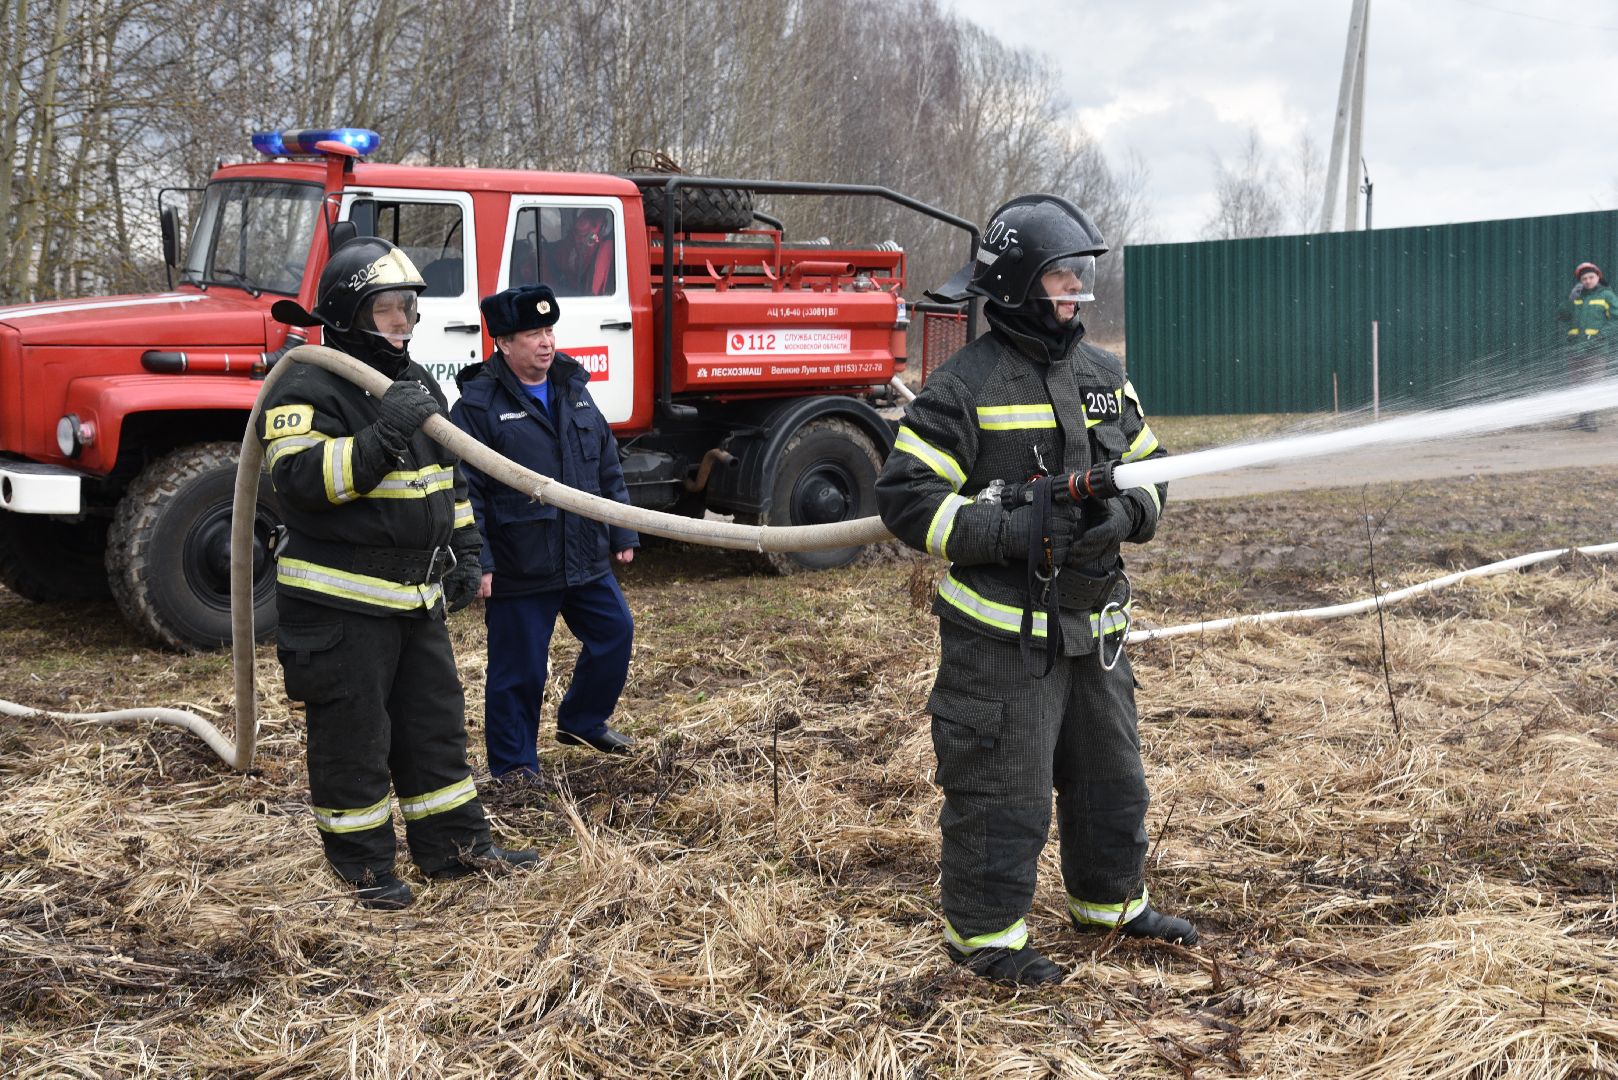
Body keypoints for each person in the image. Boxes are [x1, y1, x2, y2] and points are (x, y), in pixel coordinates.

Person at [876, 194, 1195, 987]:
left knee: (1111, 780)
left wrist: (1122, 514)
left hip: (1096, 631)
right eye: (1060, 276)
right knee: (1000, 791)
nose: (1075, 291)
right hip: (1001, 645)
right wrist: (1017, 533)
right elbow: (908, 501)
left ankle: (1111, 907)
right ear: (1017, 285)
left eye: (1079, 275)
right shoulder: (961, 387)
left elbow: (1154, 471)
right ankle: (985, 940)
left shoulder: (1105, 377)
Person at [260, 235, 537, 911]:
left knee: (433, 726)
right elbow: (298, 482)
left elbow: (447, 481)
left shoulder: (413, 381)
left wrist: (468, 554)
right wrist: (381, 437)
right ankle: (363, 869)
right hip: (340, 603)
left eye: (409, 308)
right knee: (354, 740)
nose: (404, 322)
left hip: (415, 598)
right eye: (389, 309)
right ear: (351, 312)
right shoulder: (305, 382)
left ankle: (456, 848)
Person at [450, 283, 639, 777]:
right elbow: (465, 491)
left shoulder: (573, 388)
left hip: (583, 555)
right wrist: (480, 560)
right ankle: (514, 771)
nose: (546, 341)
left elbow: (605, 464)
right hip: (520, 563)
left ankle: (582, 720)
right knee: (520, 673)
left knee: (615, 632)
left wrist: (623, 531)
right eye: (533, 332)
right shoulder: (477, 405)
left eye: (549, 329)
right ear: (504, 343)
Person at [1558, 261, 1618, 431]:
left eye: (1591, 277)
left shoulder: (1607, 295)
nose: (1588, 281)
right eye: (1584, 278)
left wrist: (1601, 335)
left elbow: (1616, 318)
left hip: (1596, 350)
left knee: (1592, 386)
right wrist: (1570, 300)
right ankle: (1582, 420)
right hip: (1576, 349)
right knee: (1578, 388)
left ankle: (1590, 422)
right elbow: (1562, 316)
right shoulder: (1577, 296)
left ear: (1598, 277)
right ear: (1580, 281)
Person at [546, 209, 615, 296]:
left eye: (583, 235)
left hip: (581, 289)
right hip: (568, 280)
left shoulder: (605, 248)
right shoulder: (570, 242)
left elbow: (593, 285)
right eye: (578, 234)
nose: (579, 239)